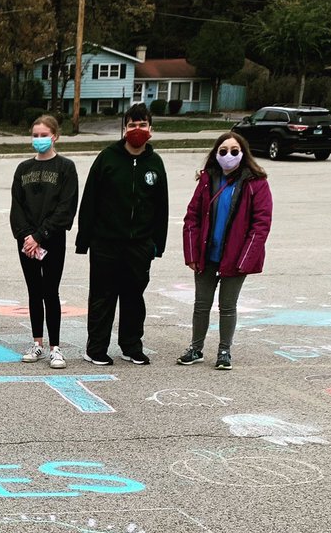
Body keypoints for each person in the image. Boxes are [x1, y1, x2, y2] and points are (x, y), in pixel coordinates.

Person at [74, 102, 168, 365]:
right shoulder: (108, 158)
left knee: (133, 298)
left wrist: (156, 245)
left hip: (139, 245)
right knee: (102, 297)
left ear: (150, 128)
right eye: (131, 125)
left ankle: (130, 346)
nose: (137, 129)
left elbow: (161, 207)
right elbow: (90, 200)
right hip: (106, 243)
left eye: (142, 125)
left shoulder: (155, 163)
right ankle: (96, 349)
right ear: (124, 128)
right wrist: (85, 240)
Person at [178, 131, 273, 370]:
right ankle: (196, 348)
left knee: (228, 306)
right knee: (201, 304)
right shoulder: (208, 180)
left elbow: (261, 224)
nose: (228, 156)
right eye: (223, 151)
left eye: (234, 151)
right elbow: (192, 217)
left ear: (243, 154)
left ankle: (224, 351)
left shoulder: (256, 183)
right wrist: (191, 254)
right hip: (207, 254)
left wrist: (246, 259)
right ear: (215, 154)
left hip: (236, 256)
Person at [9, 114, 78, 370]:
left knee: (50, 291)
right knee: (33, 292)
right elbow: (17, 207)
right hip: (26, 242)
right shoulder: (23, 169)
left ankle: (55, 347)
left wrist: (40, 236)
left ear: (55, 136)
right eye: (35, 135)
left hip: (52, 240)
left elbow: (66, 208)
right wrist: (26, 236)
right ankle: (36, 342)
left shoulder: (65, 167)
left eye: (44, 135)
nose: (39, 139)